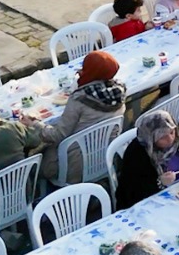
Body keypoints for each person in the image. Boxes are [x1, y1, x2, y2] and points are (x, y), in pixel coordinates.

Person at [34, 51, 125, 184]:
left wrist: (36, 125)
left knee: (38, 154)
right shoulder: (119, 92)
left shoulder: (79, 99)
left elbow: (58, 135)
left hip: (74, 164)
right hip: (106, 156)